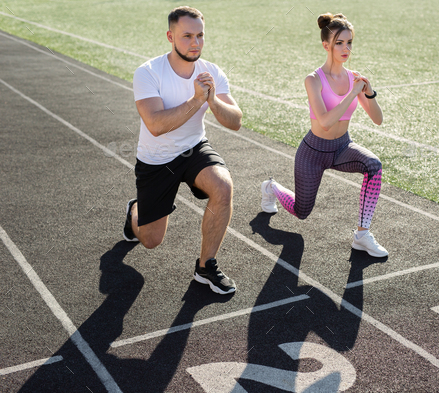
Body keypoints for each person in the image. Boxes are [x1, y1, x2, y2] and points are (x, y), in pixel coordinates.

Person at [123, 6, 243, 294]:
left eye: (200, 35)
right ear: (170, 36)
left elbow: (235, 121)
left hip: (193, 149)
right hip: (157, 159)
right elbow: (155, 124)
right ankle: (135, 213)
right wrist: (195, 100)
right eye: (187, 35)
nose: (195, 43)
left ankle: (206, 266)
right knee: (151, 240)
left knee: (223, 187)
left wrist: (212, 101)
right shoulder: (148, 72)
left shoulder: (211, 72)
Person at [261, 12, 388, 257]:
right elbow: (326, 122)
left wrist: (369, 92)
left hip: (342, 148)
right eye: (339, 43)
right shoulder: (313, 80)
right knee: (302, 211)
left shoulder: (354, 78)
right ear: (326, 45)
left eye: (349, 42)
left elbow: (378, 120)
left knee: (373, 165)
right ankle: (271, 187)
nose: (346, 48)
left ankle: (362, 234)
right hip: (313, 151)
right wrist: (352, 94)